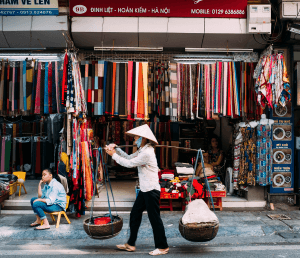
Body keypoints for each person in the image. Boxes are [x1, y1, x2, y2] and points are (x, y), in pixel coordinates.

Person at [105, 124, 169, 256]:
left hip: (151, 190)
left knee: (154, 219)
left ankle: (162, 246)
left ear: (143, 139)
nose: (134, 140)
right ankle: (131, 244)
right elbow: (129, 157)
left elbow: (129, 164)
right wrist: (116, 149)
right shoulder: (142, 150)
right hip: (145, 189)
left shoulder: (147, 152)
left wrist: (113, 155)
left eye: (136, 138)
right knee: (135, 214)